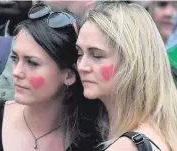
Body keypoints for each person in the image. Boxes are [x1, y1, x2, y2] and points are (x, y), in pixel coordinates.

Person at [0, 3, 99, 151]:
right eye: (15, 58)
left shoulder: (92, 137)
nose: (17, 72)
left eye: (32, 63)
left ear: (68, 75)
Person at [76, 1, 177, 151]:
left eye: (97, 55)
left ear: (132, 62)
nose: (82, 66)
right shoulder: (158, 130)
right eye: (79, 53)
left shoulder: (128, 146)